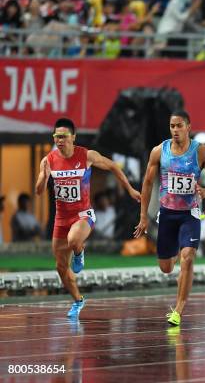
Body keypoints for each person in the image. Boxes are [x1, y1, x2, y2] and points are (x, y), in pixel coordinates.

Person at [35, 118, 141, 318]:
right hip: (61, 218)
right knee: (60, 267)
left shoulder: (87, 156)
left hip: (83, 215)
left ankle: (79, 251)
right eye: (56, 137)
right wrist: (43, 177)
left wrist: (130, 189)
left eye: (64, 137)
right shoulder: (48, 160)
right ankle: (78, 301)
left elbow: (113, 167)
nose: (60, 141)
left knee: (74, 240)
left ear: (73, 137)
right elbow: (39, 191)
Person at [134, 110, 205, 326]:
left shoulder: (201, 152)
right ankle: (179, 264)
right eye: (172, 126)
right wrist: (143, 216)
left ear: (188, 127)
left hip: (190, 214)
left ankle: (178, 310)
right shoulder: (159, 151)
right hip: (167, 214)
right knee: (166, 267)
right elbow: (147, 183)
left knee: (188, 257)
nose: (175, 130)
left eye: (179, 126)